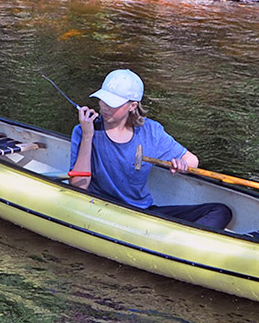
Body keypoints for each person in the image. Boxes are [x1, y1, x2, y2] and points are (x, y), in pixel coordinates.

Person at [68, 69, 232, 230]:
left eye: (113, 103)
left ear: (132, 106)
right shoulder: (84, 130)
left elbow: (192, 161)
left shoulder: (151, 131)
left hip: (142, 212)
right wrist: (88, 136)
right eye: (103, 100)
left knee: (221, 211)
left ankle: (183, 243)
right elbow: (78, 187)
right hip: (103, 208)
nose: (105, 107)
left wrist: (182, 164)